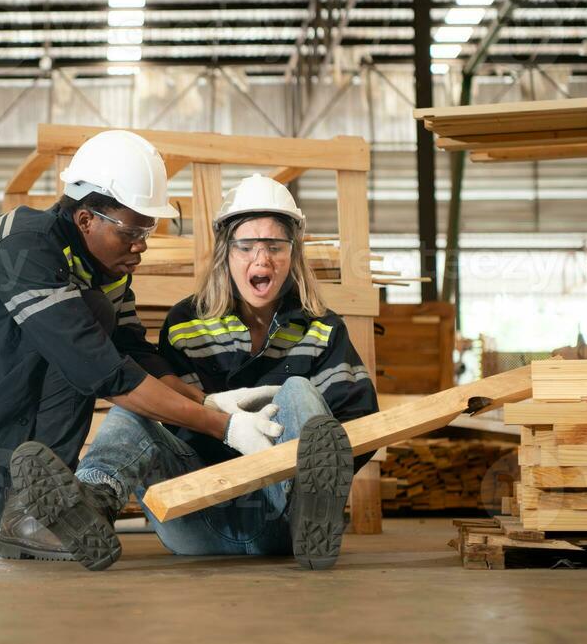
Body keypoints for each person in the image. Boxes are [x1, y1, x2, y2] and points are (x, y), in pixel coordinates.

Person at [0, 131, 285, 571]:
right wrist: (223, 427)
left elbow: (131, 349)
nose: (142, 244)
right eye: (132, 230)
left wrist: (201, 400)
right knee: (20, 480)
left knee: (89, 334)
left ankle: (12, 502)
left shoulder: (103, 266)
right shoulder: (25, 248)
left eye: (148, 229)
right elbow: (102, 371)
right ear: (87, 218)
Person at [76, 173, 379, 569]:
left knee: (298, 390)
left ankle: (313, 506)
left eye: (275, 246)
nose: (262, 259)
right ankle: (88, 507)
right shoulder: (188, 322)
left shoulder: (323, 328)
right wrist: (225, 424)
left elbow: (360, 421)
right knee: (136, 405)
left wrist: (305, 469)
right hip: (200, 517)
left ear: (293, 254)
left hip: (290, 521)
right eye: (247, 246)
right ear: (226, 253)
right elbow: (170, 416)